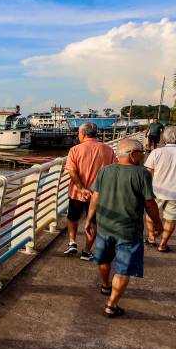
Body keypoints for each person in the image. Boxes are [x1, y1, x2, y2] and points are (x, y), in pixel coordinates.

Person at [85, 139, 163, 318]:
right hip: (129, 232)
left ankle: (105, 286)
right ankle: (111, 306)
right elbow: (149, 203)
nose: (145, 155)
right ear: (133, 154)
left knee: (104, 259)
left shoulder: (105, 170)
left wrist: (89, 219)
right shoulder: (141, 174)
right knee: (123, 269)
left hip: (105, 226)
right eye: (142, 151)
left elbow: (95, 197)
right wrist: (158, 223)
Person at [64, 122, 116, 260]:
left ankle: (72, 243)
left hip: (77, 192)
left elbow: (72, 171)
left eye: (78, 133)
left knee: (72, 218)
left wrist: (81, 188)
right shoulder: (107, 149)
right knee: (93, 222)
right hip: (98, 194)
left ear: (83, 134)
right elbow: (113, 171)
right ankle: (86, 251)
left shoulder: (75, 150)